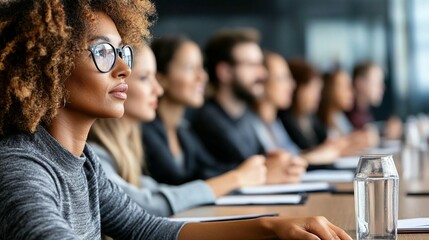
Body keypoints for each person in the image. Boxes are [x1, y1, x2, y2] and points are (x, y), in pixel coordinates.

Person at [0, 1, 352, 239]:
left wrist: (271, 228)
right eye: (103, 52)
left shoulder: (83, 163)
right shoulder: (20, 166)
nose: (125, 68)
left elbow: (151, 230)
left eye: (122, 52)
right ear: (50, 65)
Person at [88, 43, 266, 217]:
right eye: (144, 78)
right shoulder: (96, 153)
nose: (158, 89)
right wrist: (237, 178)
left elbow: (165, 189)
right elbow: (148, 203)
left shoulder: (177, 131)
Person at [191, 29, 307, 184]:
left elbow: (263, 162)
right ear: (224, 72)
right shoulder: (208, 121)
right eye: (252, 65)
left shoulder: (245, 117)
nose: (262, 74)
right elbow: (246, 171)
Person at [251, 51, 346, 165]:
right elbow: (279, 163)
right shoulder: (252, 124)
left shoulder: (274, 123)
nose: (292, 85)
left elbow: (292, 154)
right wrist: (314, 156)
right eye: (282, 78)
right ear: (261, 82)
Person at [317, 69, 379, 155]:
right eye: (345, 87)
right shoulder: (318, 122)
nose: (352, 92)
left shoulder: (339, 117)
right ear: (329, 89)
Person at [278, 59, 327, 151]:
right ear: (297, 88)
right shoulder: (284, 119)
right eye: (311, 88)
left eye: (318, 90)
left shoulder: (310, 118)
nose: (317, 96)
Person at [347, 61, 402, 140]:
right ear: (360, 83)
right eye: (376, 83)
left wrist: (386, 131)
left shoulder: (368, 111)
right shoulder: (346, 115)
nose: (382, 88)